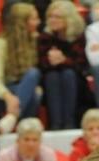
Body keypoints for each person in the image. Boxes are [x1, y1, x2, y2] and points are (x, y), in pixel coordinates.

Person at [0, 2, 43, 134]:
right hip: (6, 91)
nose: (38, 22)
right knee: (33, 78)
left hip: (28, 89)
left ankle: (13, 119)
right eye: (34, 19)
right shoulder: (0, 44)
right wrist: (8, 97)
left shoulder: (37, 40)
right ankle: (25, 128)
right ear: (22, 23)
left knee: (35, 89)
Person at [39, 0, 91, 131]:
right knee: (52, 76)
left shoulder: (79, 36)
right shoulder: (45, 36)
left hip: (76, 82)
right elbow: (41, 65)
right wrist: (51, 61)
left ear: (68, 18)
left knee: (68, 74)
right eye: (50, 16)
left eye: (57, 17)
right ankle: (56, 124)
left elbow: (82, 66)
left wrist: (64, 60)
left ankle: (70, 122)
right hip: (51, 82)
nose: (52, 20)